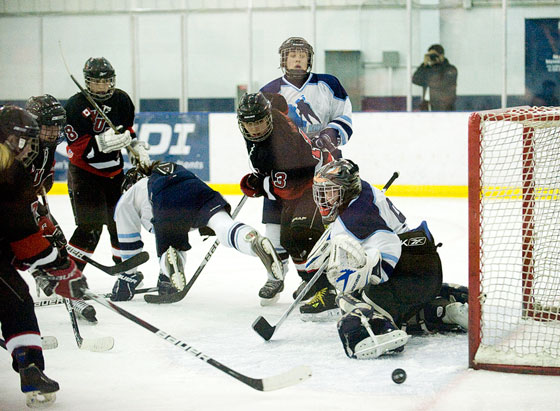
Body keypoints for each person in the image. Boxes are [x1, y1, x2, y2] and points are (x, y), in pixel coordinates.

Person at [307, 158, 468, 358]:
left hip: (404, 272)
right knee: (403, 311)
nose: (324, 198)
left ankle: (381, 331)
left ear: (346, 190)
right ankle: (446, 309)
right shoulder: (362, 190)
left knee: (348, 298)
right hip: (424, 266)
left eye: (330, 192)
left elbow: (389, 246)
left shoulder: (354, 219)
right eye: (323, 192)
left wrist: (368, 275)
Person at [0, 105, 88, 407]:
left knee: (15, 296)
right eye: (24, 140)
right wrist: (60, 268)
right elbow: (23, 238)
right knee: (15, 300)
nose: (29, 147)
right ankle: (29, 366)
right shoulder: (10, 174)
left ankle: (29, 366)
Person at [258, 36, 354, 304]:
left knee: (319, 227)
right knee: (274, 225)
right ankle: (275, 275)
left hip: (324, 168)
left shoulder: (328, 83)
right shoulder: (269, 90)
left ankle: (317, 280)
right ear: (283, 60)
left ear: (309, 59)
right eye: (292, 55)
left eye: (302, 55)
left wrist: (331, 133)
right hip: (285, 171)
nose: (298, 59)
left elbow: (344, 115)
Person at [110, 161, 283, 301]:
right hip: (198, 189)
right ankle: (251, 239)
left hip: (166, 201)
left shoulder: (132, 194)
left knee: (171, 249)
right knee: (225, 226)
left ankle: (169, 272)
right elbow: (187, 193)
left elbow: (129, 240)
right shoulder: (173, 169)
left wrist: (127, 277)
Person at [238, 91, 340, 315]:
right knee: (286, 238)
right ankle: (306, 281)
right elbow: (278, 102)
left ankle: (325, 289)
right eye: (249, 124)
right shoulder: (267, 123)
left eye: (259, 122)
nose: (254, 128)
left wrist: (260, 185)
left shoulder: (282, 140)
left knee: (302, 234)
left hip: (317, 180)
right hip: (297, 179)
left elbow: (289, 187)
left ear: (269, 119)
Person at [64, 57, 150, 273]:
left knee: (119, 223)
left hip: (115, 173)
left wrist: (135, 146)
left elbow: (127, 131)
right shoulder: (75, 105)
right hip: (85, 174)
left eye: (106, 82)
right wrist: (102, 142)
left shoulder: (122, 100)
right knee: (89, 228)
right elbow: (76, 149)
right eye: (96, 82)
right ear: (87, 82)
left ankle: (124, 271)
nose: (102, 87)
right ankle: (68, 275)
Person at [25, 94, 97, 323]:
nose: (55, 133)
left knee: (57, 242)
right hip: (9, 209)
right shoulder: (14, 148)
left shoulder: (45, 149)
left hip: (23, 205)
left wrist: (40, 212)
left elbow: (42, 185)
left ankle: (71, 297)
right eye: (49, 127)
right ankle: (37, 274)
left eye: (58, 128)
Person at [412, 44, 458, 111]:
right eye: (430, 56)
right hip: (428, 107)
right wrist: (423, 65)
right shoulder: (427, 69)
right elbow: (415, 80)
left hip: (445, 108)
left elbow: (441, 82)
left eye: (434, 55)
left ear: (442, 56)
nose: (432, 58)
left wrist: (439, 64)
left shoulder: (450, 69)